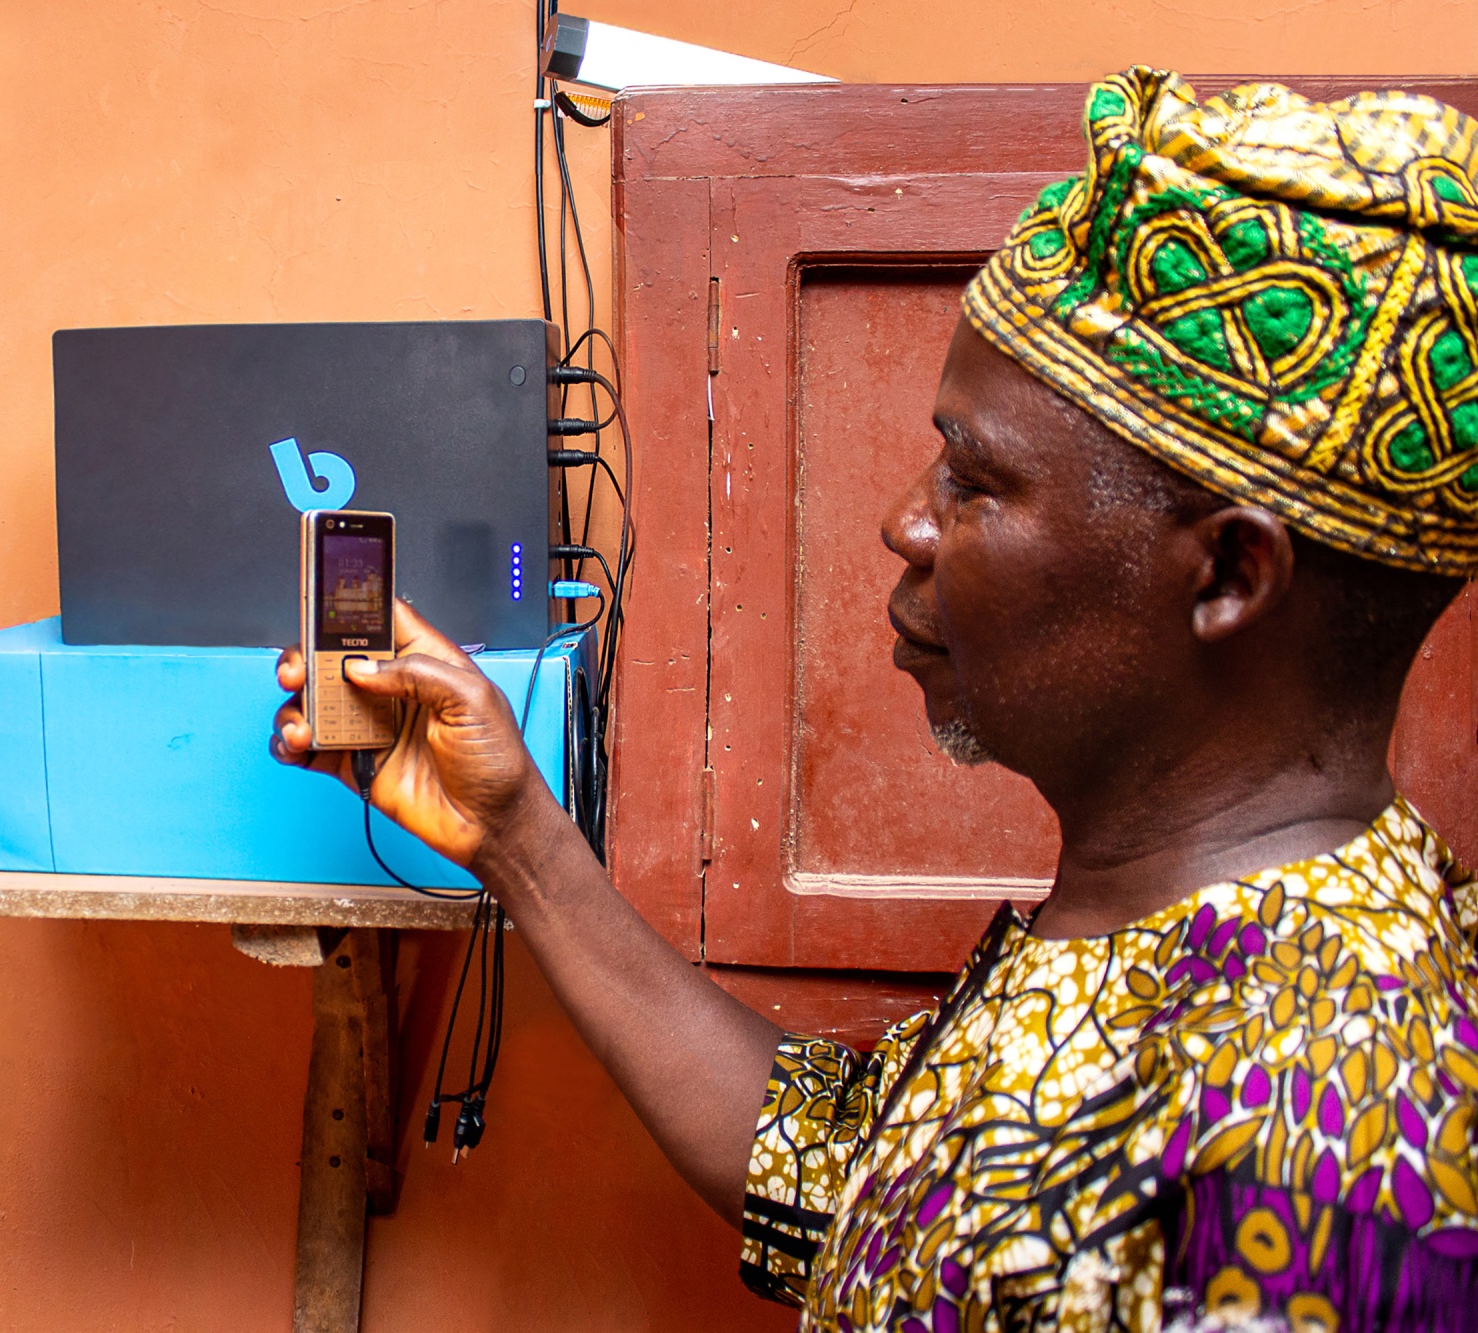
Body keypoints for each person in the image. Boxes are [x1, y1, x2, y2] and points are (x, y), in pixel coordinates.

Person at [272, 68, 1478, 1330]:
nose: (903, 520)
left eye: (974, 480)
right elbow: (856, 1184)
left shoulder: (1318, 1163)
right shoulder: (1154, 931)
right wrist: (518, 837)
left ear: (1227, 573)